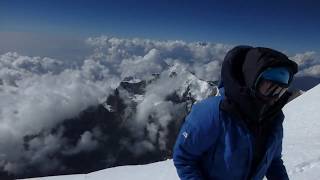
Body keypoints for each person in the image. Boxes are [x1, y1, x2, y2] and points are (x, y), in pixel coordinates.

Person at [173, 46, 298, 180]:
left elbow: (273, 161)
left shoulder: (274, 119)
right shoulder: (213, 113)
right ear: (252, 81)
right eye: (269, 88)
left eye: (280, 91)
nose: (274, 98)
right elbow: (184, 159)